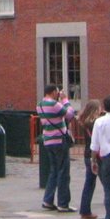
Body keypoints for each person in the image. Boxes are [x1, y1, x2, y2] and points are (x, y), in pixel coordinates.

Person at [77, 99, 110, 219]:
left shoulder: (84, 122)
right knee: (108, 183)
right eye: (99, 108)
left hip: (87, 155)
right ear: (95, 110)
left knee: (89, 184)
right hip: (97, 156)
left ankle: (85, 210)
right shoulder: (96, 123)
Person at [37, 84, 76, 212]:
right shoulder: (54, 104)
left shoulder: (40, 105)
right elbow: (70, 114)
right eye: (57, 92)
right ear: (53, 92)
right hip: (59, 140)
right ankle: (63, 203)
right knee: (63, 171)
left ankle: (48, 200)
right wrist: (65, 100)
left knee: (53, 170)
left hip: (48, 140)